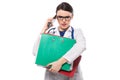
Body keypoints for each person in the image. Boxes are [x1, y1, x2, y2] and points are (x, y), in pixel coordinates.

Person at [33, 2, 86, 80]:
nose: (64, 20)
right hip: (52, 75)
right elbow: (35, 51)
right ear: (56, 17)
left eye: (67, 17)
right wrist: (44, 29)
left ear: (72, 17)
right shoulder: (50, 32)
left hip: (72, 76)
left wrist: (59, 63)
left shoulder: (77, 32)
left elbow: (81, 46)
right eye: (60, 17)